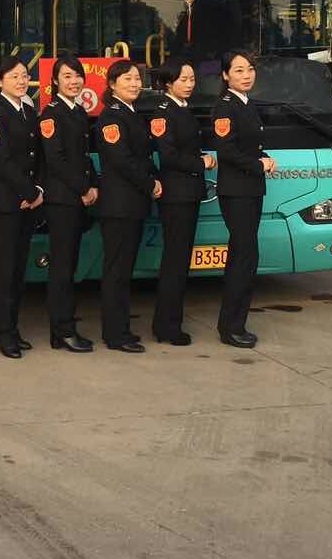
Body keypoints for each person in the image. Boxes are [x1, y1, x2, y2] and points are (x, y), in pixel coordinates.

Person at [94, 58, 161, 353]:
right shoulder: (111, 117)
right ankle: (114, 334)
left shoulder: (131, 113)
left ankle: (121, 329)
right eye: (127, 79)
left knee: (124, 270)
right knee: (116, 272)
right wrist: (150, 184)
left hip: (132, 204)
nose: (135, 84)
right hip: (119, 206)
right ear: (112, 85)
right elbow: (122, 160)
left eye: (137, 79)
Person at [0, 56, 44, 358]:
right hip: (6, 204)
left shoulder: (28, 111)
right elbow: (1, 160)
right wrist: (29, 191)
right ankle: (3, 334)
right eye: (14, 76)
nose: (21, 81)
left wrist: (37, 191)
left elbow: (37, 157)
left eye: (25, 76)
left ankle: (14, 329)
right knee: (5, 272)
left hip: (28, 203)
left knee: (19, 271)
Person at [211, 49, 276, 348]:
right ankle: (231, 327)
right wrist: (257, 165)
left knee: (246, 256)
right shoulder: (225, 107)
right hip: (236, 191)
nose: (247, 75)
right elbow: (226, 151)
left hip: (250, 189)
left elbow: (248, 146)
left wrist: (264, 158)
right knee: (243, 258)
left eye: (250, 69)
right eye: (238, 70)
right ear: (226, 75)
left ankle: (235, 323)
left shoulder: (247, 103)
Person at [149, 59, 216, 346]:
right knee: (174, 262)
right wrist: (201, 163)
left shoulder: (182, 109)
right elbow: (169, 156)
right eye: (183, 79)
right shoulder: (163, 113)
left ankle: (168, 322)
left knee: (179, 260)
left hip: (188, 193)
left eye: (192, 79)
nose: (190, 84)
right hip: (176, 195)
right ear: (168, 83)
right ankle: (167, 327)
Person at [39, 54, 98, 352]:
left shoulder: (77, 111)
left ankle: (61, 330)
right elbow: (56, 161)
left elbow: (83, 157)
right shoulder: (51, 114)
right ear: (55, 81)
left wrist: (93, 185)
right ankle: (62, 330)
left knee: (69, 265)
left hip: (76, 199)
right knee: (61, 268)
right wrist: (84, 188)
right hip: (62, 200)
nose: (74, 81)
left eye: (77, 76)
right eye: (67, 76)